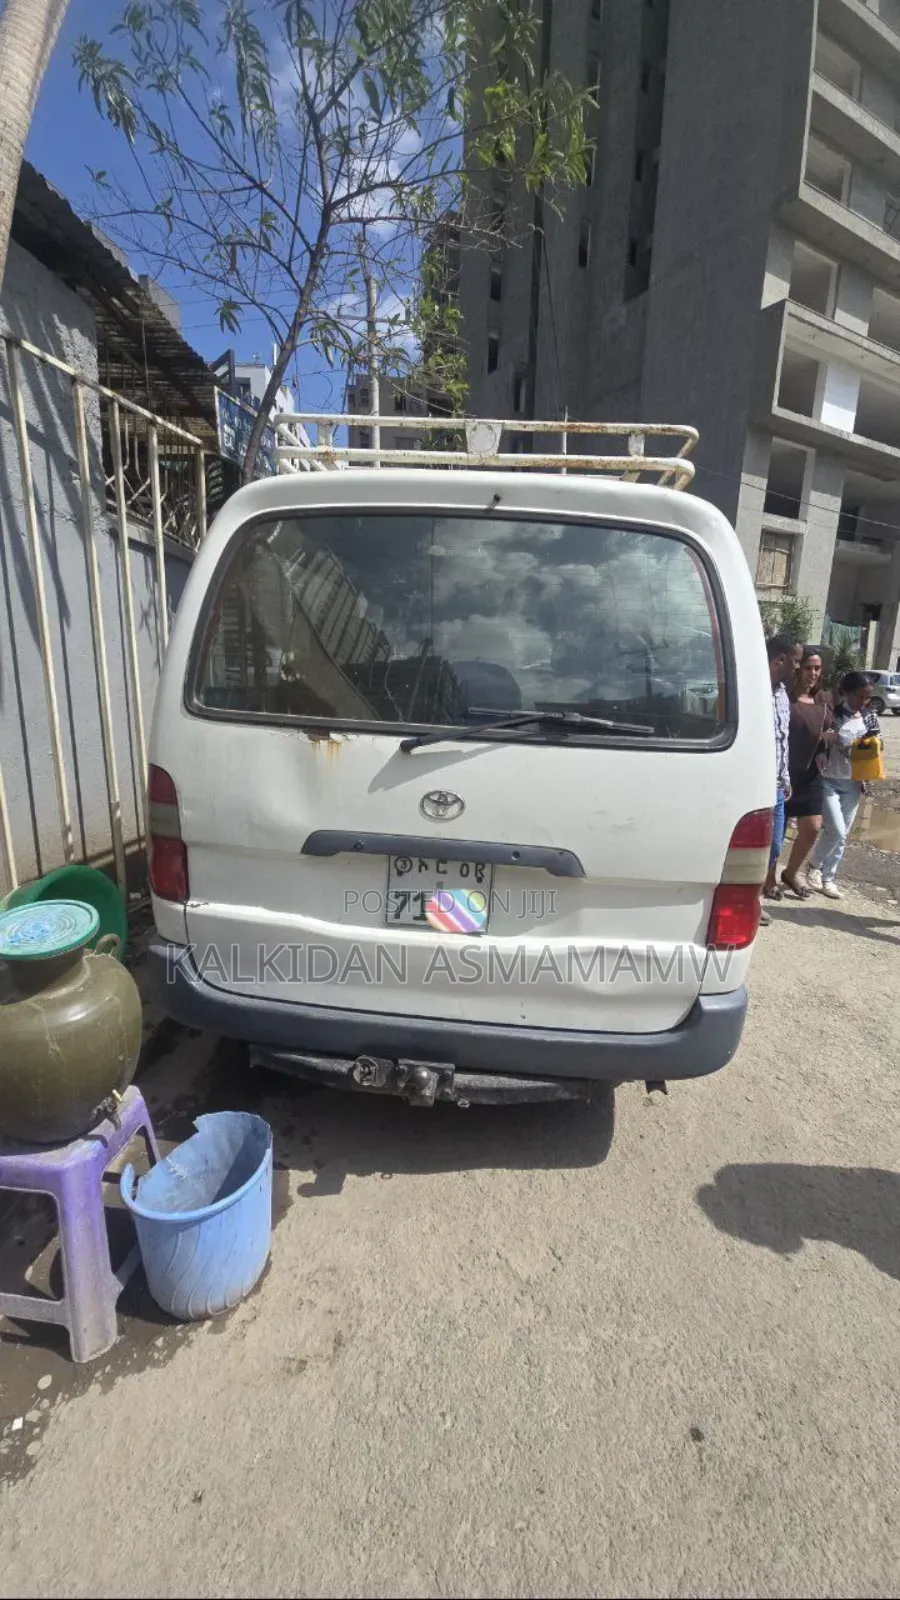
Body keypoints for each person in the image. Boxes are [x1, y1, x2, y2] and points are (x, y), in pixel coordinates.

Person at [807, 670, 880, 900]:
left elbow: (876, 747)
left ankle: (828, 878)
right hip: (829, 779)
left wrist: (872, 747)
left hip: (854, 783)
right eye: (860, 696)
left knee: (843, 834)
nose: (863, 702)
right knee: (836, 829)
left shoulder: (870, 717)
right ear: (846, 692)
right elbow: (820, 741)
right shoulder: (832, 715)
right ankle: (814, 865)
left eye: (867, 698)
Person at [780, 647, 835, 898]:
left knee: (812, 827)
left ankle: (791, 872)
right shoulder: (784, 697)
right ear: (798, 669)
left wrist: (830, 737)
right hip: (784, 771)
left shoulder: (824, 699)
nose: (812, 673)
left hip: (813, 772)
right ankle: (768, 879)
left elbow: (831, 728)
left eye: (817, 668)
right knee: (776, 832)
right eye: (808, 667)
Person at [761, 633, 802, 921]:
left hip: (776, 785)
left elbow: (782, 739)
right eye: (797, 662)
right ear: (782, 659)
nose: (798, 668)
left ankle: (758, 893)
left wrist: (785, 778)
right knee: (749, 846)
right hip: (753, 784)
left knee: (774, 845)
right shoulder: (752, 689)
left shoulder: (782, 693)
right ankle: (752, 901)